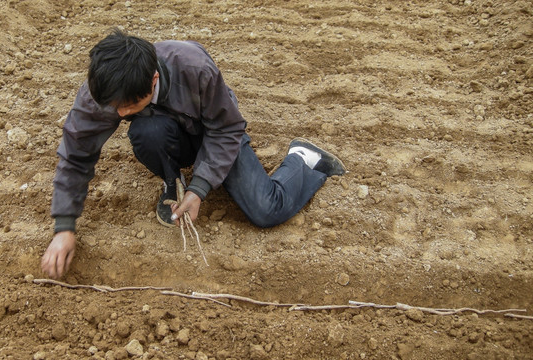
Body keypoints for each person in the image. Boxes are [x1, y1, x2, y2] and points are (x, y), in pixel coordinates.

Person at [41, 29, 346, 279]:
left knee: (267, 209)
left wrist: (201, 188)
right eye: (114, 107)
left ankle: (302, 158)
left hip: (215, 131)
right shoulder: (103, 90)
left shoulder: (194, 68)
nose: (118, 114)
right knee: (146, 132)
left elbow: (227, 128)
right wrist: (64, 227)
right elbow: (76, 154)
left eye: (129, 106)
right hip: (169, 134)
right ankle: (173, 184)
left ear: (154, 81)